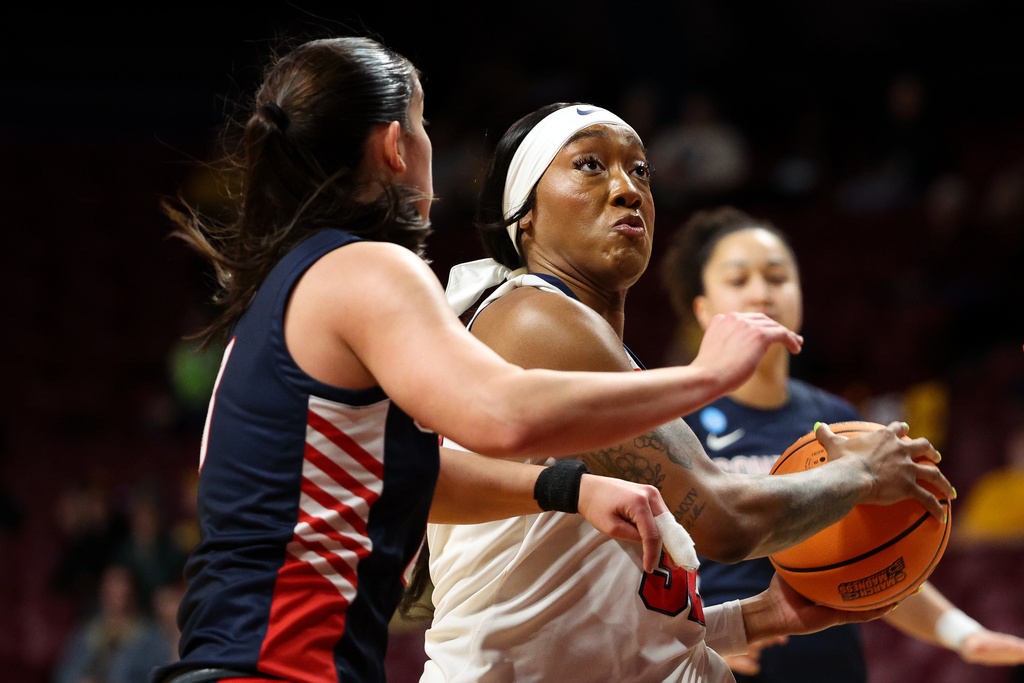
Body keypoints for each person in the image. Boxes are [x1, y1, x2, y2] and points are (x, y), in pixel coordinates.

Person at [151, 37, 810, 683]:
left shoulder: (294, 285)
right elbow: (503, 415)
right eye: (424, 125)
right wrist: (706, 375)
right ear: (394, 146)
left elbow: (413, 474)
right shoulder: (369, 268)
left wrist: (564, 488)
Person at [417, 102, 952, 683]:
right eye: (591, 165)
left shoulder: (596, 351)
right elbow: (723, 518)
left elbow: (598, 626)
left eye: (640, 171)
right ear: (524, 217)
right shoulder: (533, 319)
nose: (627, 189)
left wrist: (756, 617)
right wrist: (862, 474)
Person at [661, 205, 1024, 681]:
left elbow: (880, 556)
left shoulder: (838, 421)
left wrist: (962, 633)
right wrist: (701, 637)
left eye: (777, 276)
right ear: (703, 310)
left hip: (830, 665)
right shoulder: (668, 420)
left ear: (800, 297)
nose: (761, 291)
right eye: (738, 278)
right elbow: (629, 568)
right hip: (713, 662)